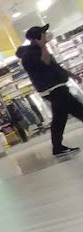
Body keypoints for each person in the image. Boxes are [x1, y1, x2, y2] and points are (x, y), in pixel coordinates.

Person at [15, 24, 83, 158]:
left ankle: (57, 148)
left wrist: (72, 75)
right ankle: (57, 147)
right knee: (78, 109)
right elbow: (45, 62)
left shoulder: (37, 50)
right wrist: (43, 46)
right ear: (37, 37)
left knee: (59, 118)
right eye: (43, 33)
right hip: (52, 89)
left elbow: (55, 66)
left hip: (57, 87)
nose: (46, 35)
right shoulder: (29, 55)